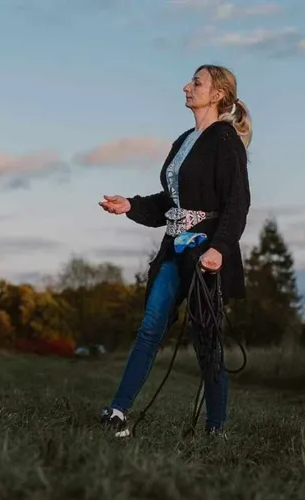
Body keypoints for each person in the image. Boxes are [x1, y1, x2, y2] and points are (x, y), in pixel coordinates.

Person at [98, 64, 251, 438]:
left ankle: (216, 427)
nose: (186, 87)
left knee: (206, 339)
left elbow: (238, 201)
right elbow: (169, 201)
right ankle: (117, 411)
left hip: (203, 256)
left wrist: (219, 248)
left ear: (216, 95)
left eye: (196, 83)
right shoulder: (183, 140)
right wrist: (130, 205)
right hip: (172, 250)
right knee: (151, 326)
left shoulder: (225, 139)